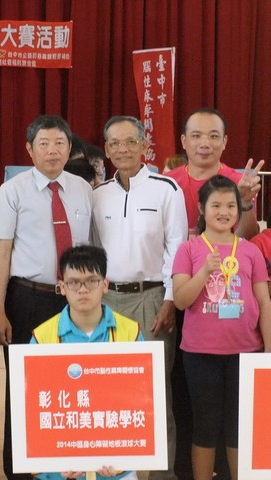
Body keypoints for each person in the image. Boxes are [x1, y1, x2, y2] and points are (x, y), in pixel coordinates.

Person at [0, 114, 93, 480]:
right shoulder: (12, 191)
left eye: (60, 143)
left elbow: (90, 248)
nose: (52, 151)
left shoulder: (82, 189)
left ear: (69, 148)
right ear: (29, 149)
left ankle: (66, 465)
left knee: (70, 384)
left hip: (75, 302)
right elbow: (1, 254)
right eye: (44, 144)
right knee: (23, 386)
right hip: (27, 299)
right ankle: (20, 470)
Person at [91, 116, 187, 480]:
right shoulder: (99, 194)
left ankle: (162, 473)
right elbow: (93, 252)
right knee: (108, 390)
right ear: (106, 148)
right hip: (107, 302)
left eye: (131, 142)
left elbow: (176, 249)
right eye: (115, 143)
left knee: (155, 393)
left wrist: (170, 300)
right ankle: (114, 471)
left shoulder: (166, 189)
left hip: (152, 299)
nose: (123, 149)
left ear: (144, 146)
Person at [172, 175, 271, 480]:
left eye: (231, 205)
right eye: (216, 205)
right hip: (200, 354)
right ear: (202, 208)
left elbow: (264, 302)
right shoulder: (188, 249)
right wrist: (204, 271)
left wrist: (268, 350)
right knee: (205, 426)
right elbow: (180, 300)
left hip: (246, 352)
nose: (224, 211)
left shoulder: (251, 250)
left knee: (239, 427)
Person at [31, 245, 142, 480]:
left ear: (105, 284)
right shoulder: (42, 337)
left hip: (115, 467)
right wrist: (56, 466)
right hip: (60, 470)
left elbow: (142, 403)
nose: (83, 289)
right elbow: (33, 408)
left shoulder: (130, 333)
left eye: (92, 281)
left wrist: (123, 460)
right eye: (73, 282)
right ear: (62, 287)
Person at [166, 108, 263, 240]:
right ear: (184, 141)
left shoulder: (240, 183)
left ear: (224, 142)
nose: (205, 144)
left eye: (214, 136)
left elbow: (247, 240)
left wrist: (245, 203)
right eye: (196, 136)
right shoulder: (167, 183)